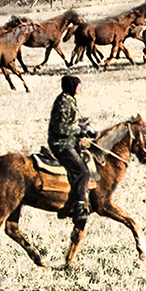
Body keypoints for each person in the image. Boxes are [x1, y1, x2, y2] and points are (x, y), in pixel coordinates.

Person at [49, 75, 96, 219]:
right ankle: (78, 207)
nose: (79, 88)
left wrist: (86, 126)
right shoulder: (63, 102)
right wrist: (80, 131)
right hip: (61, 143)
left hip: (71, 141)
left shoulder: (70, 100)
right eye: (77, 85)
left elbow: (73, 121)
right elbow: (61, 128)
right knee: (82, 171)